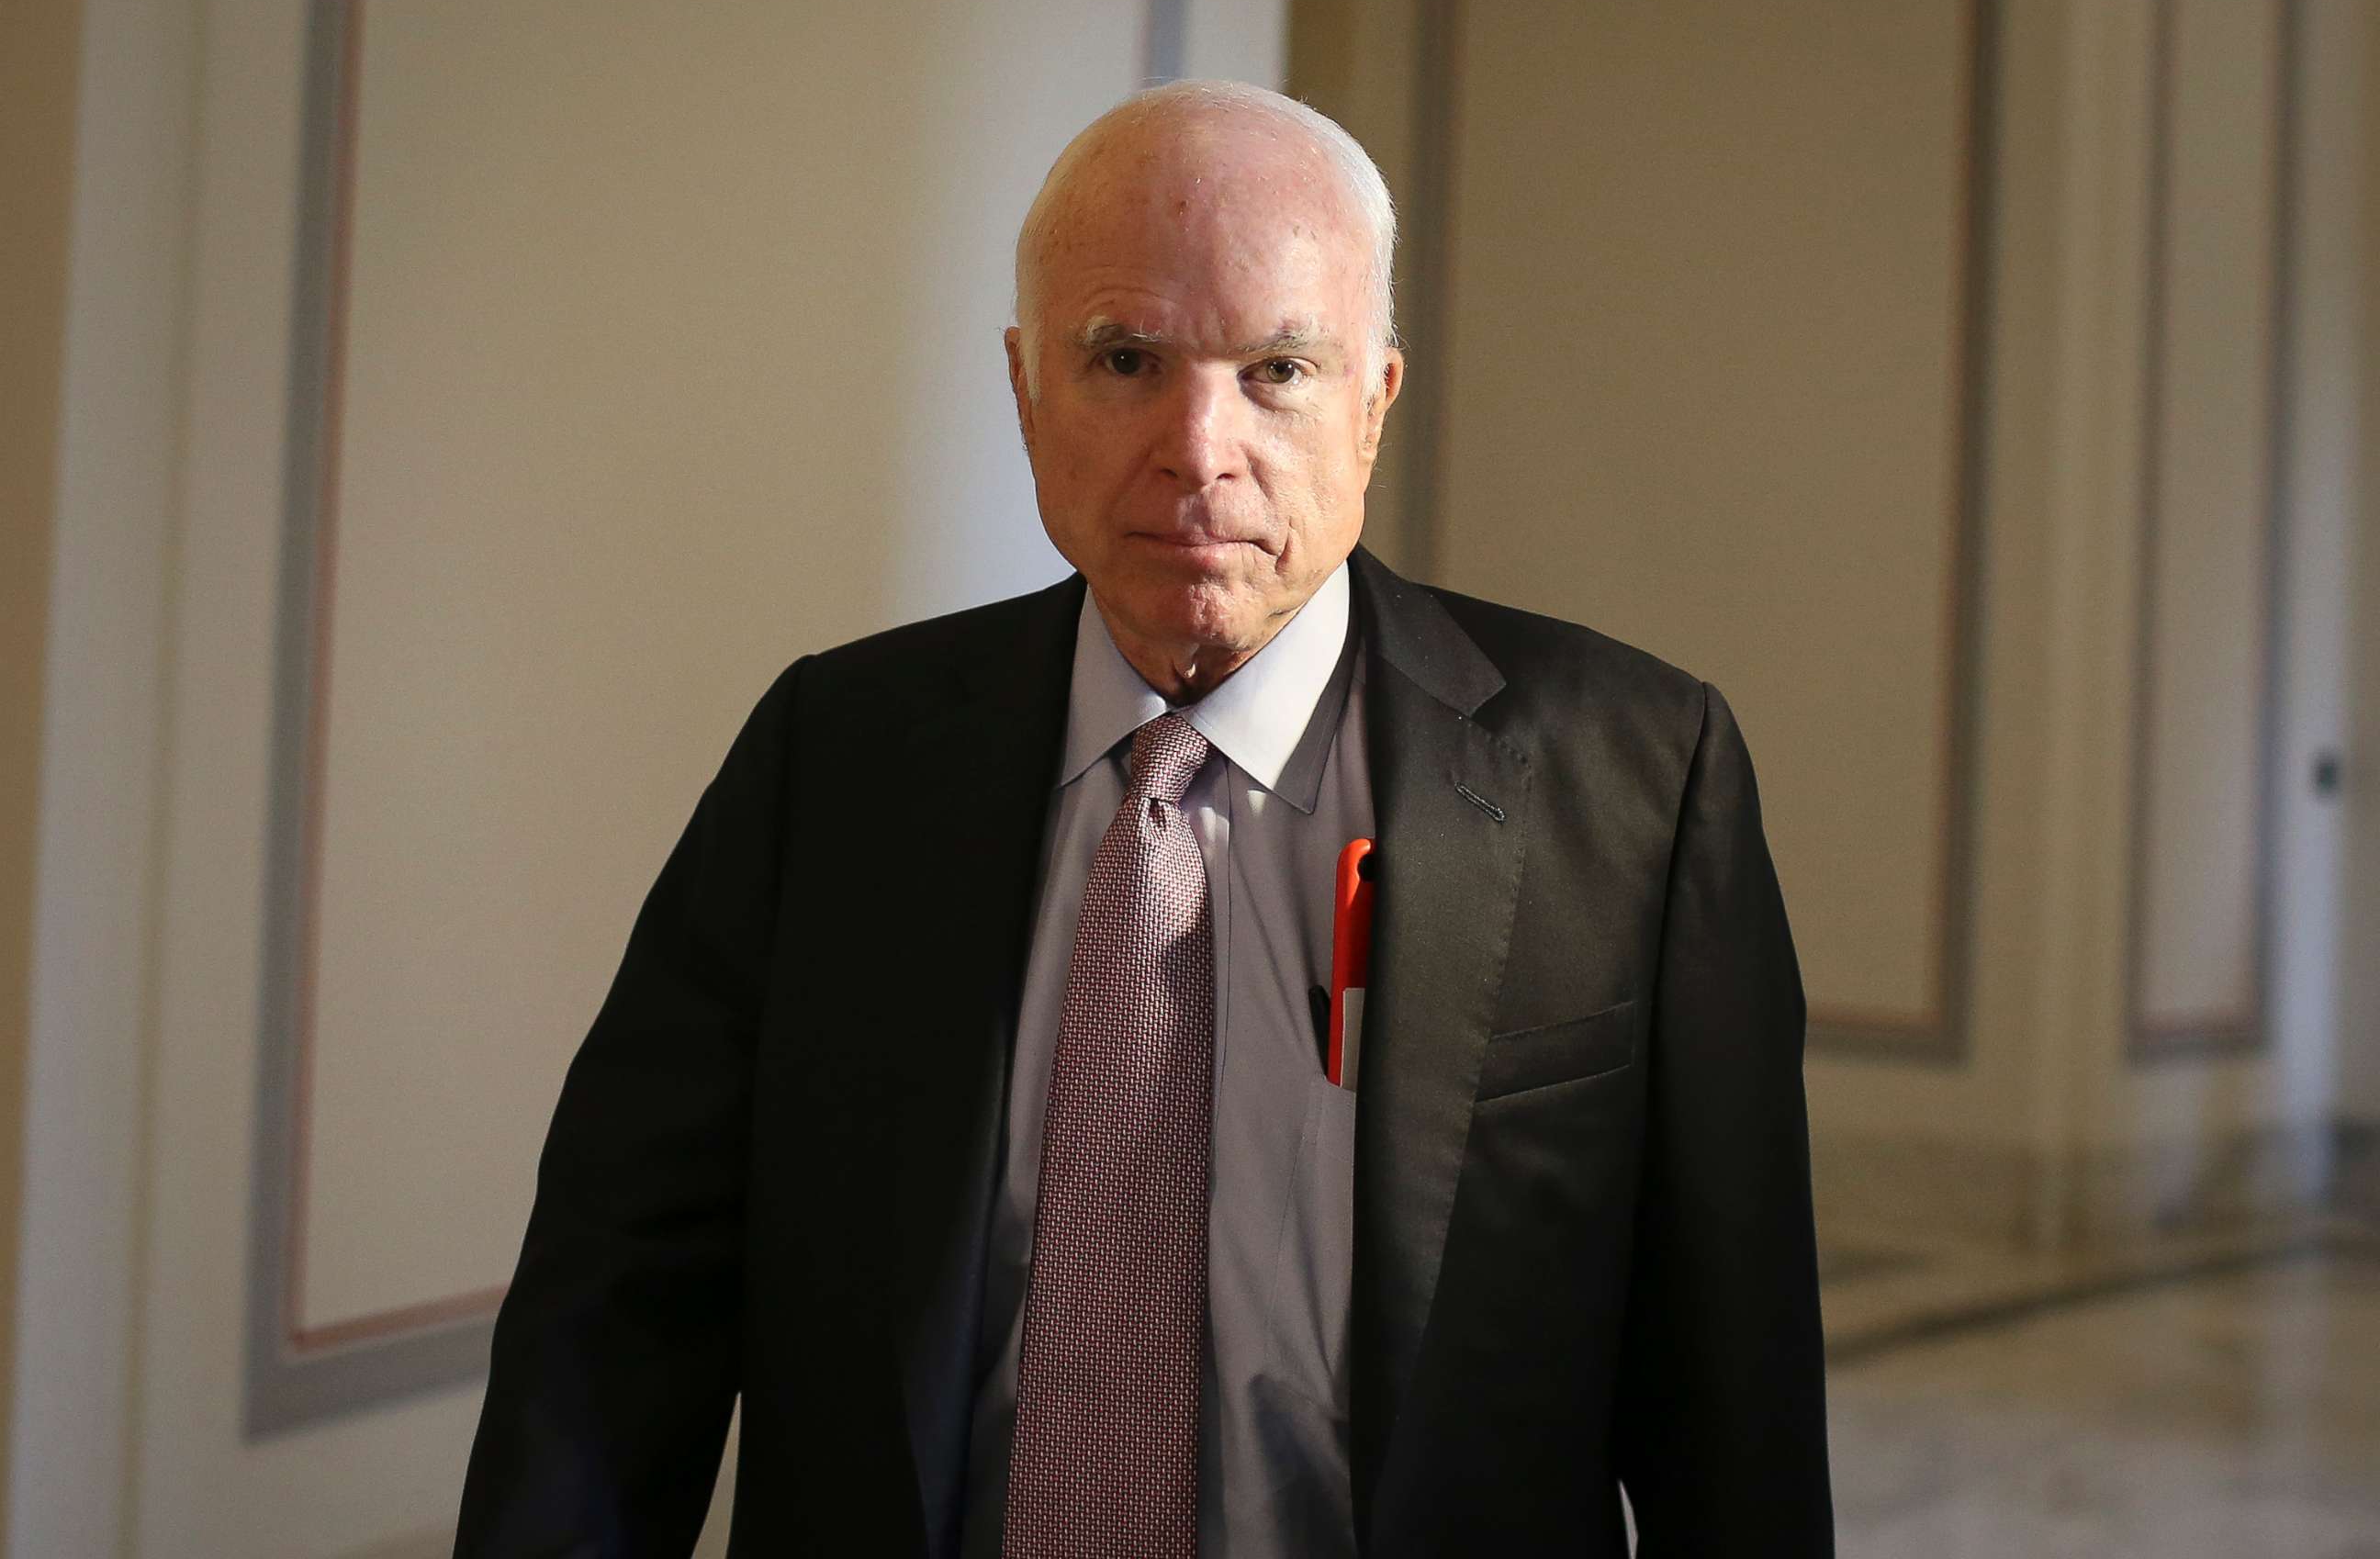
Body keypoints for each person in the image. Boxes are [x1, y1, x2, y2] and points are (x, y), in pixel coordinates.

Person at [455, 80, 1832, 1558]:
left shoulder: (1637, 775)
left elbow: (1733, 1413)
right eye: (1125, 358)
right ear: (1026, 388)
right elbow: (615, 1318)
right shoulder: (833, 756)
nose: (1197, 445)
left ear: (1375, 401)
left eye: (1279, 370)